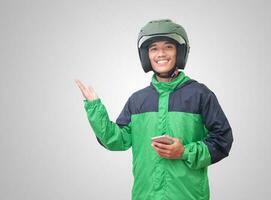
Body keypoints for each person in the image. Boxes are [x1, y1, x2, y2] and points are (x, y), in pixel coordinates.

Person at [76, 19, 233, 200]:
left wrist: (184, 152)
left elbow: (223, 141)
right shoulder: (138, 100)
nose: (161, 54)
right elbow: (116, 140)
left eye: (168, 47)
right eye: (154, 49)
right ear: (146, 56)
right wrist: (95, 108)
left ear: (180, 52)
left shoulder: (200, 95)